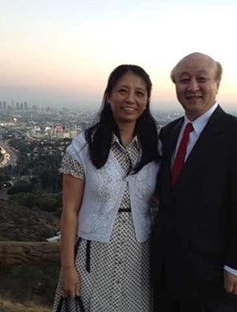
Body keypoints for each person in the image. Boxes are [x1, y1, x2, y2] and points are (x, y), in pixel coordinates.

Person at [151, 52, 237, 312]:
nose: (192, 87)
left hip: (214, 277)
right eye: (184, 80)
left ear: (217, 84)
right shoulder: (169, 133)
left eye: (202, 79)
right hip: (166, 274)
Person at [52, 64, 160, 312]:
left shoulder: (154, 147)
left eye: (140, 93)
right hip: (92, 255)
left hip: (140, 257)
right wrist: (68, 267)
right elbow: (69, 211)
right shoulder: (84, 146)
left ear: (147, 101)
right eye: (123, 90)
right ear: (108, 96)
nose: (130, 99)